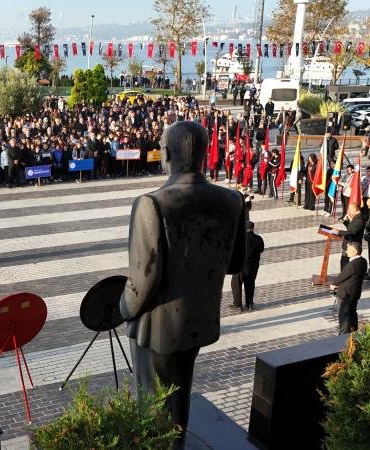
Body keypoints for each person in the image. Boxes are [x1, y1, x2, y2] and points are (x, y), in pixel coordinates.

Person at [119, 121, 246, 446]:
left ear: (167, 153)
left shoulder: (153, 203)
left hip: (159, 325)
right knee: (180, 392)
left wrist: (122, 308)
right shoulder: (232, 200)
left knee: (153, 403)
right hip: (199, 321)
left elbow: (142, 280)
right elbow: (235, 263)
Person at [330, 242, 367, 335]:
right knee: (352, 313)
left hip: (345, 294)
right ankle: (354, 331)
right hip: (355, 293)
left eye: (348, 250)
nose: (346, 252)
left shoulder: (351, 265)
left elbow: (341, 277)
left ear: (354, 252)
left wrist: (334, 285)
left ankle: (344, 334)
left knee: (344, 316)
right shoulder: (363, 261)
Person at [231, 221, 264, 311]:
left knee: (236, 284)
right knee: (250, 284)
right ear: (253, 228)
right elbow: (261, 249)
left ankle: (238, 305)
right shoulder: (258, 239)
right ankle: (249, 304)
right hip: (253, 266)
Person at [339, 203, 365, 270]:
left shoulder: (359, 219)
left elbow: (352, 232)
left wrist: (338, 232)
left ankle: (345, 277)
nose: (348, 211)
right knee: (344, 262)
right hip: (349, 244)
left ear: (355, 209)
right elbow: (351, 228)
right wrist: (346, 222)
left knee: (345, 263)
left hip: (352, 246)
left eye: (350, 209)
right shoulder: (356, 217)